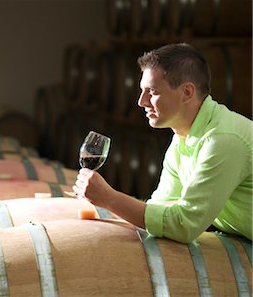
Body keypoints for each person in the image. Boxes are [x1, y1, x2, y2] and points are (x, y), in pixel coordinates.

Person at [73, 43, 252, 243]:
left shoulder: (222, 140)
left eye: (152, 91)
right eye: (142, 91)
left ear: (187, 93)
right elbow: (162, 207)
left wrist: (110, 199)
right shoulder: (182, 138)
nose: (142, 101)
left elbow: (184, 225)